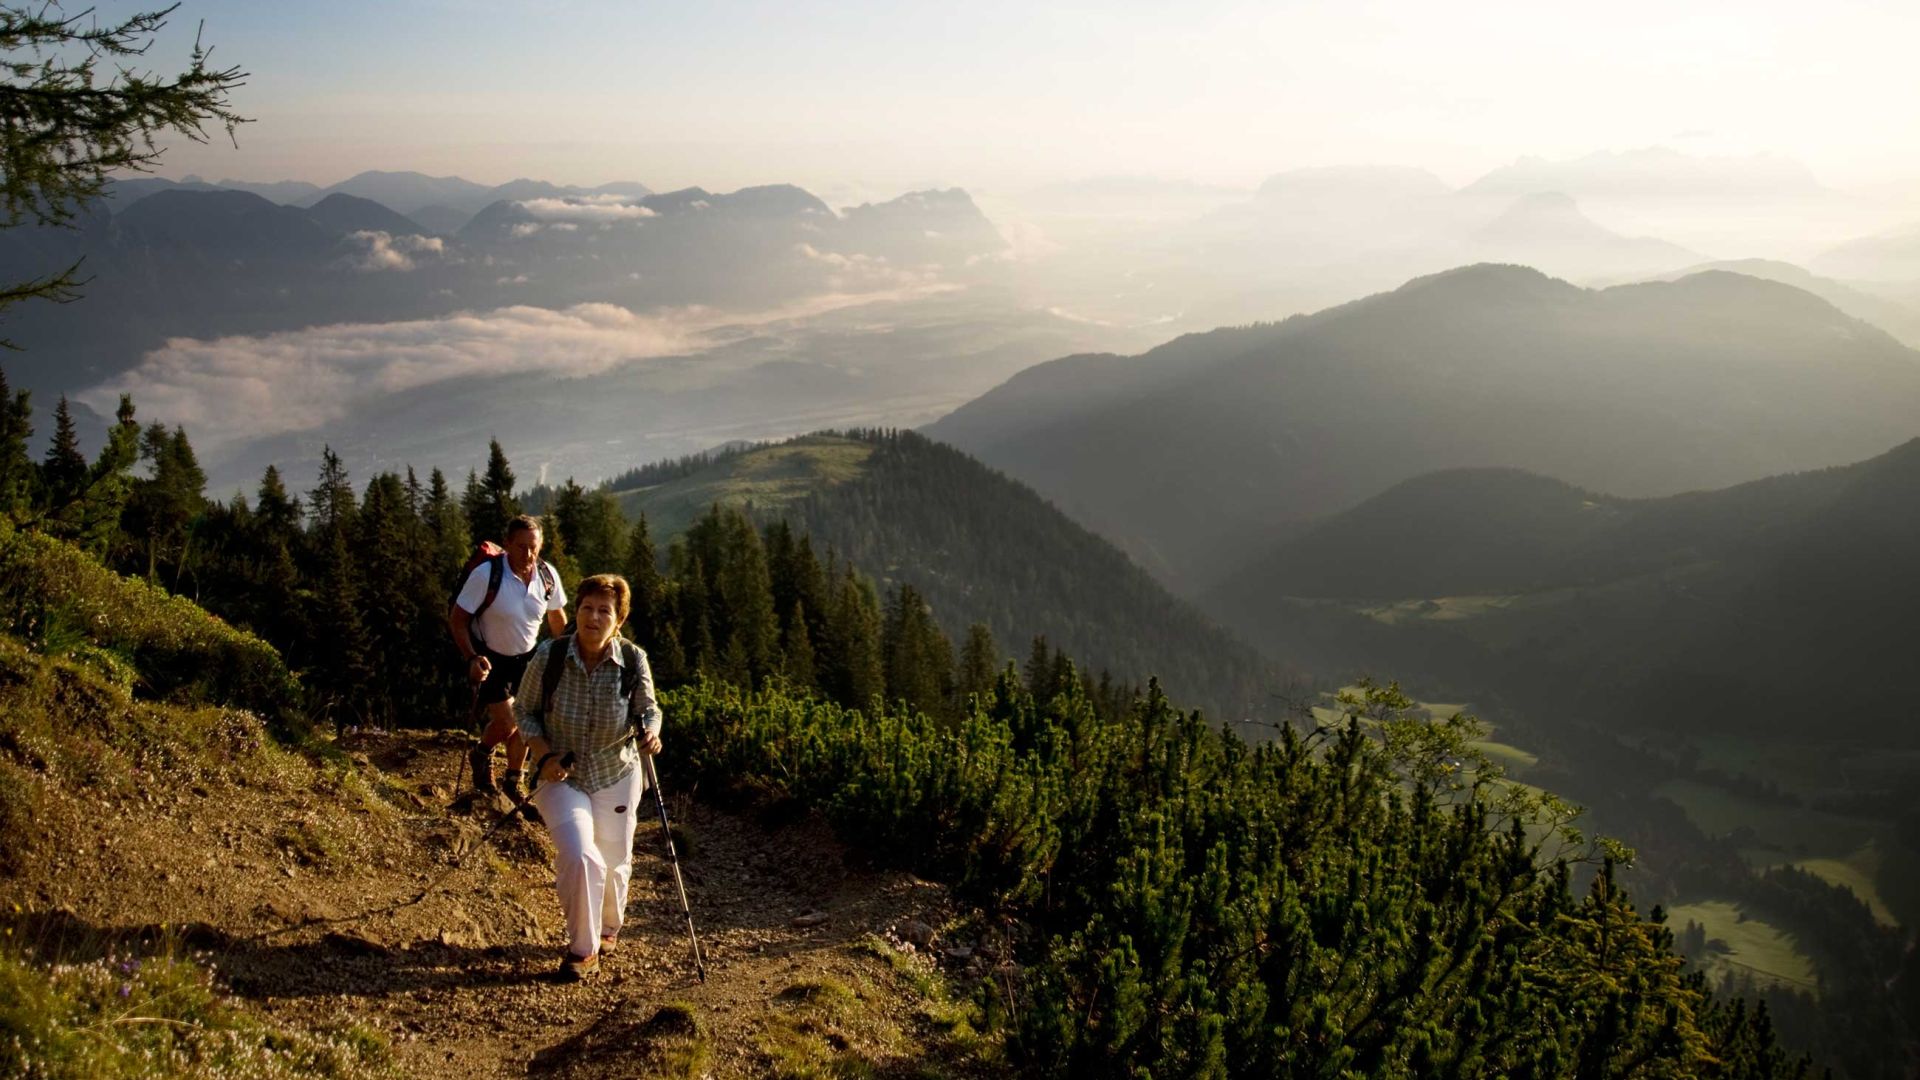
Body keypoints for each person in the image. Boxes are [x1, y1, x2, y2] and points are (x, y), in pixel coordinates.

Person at [516, 573, 664, 981]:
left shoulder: (632, 659)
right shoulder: (549, 656)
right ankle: (584, 949)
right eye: (586, 608)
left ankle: (608, 926)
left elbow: (648, 709)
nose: (592, 617)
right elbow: (523, 710)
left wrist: (652, 732)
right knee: (581, 855)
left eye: (604, 611)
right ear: (576, 611)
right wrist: (544, 755)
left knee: (614, 861)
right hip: (560, 776)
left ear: (619, 621)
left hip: (617, 772)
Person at [448, 514, 567, 801]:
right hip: (489, 657)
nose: (528, 554)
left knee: (527, 723)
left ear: (541, 545)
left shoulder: (547, 576)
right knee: (508, 721)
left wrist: (569, 655)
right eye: (521, 546)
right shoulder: (486, 575)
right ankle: (482, 754)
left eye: (533, 547)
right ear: (507, 544)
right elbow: (457, 619)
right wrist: (471, 657)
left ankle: (514, 781)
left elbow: (557, 619)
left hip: (527, 659)